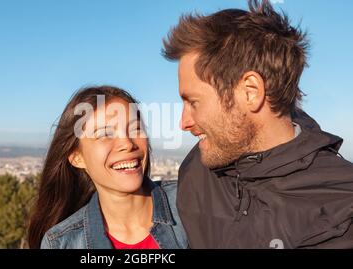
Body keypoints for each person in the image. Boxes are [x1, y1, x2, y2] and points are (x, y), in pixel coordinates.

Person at [162, 0, 353, 248]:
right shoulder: (197, 169)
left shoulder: (341, 201)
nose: (183, 123)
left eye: (194, 102)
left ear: (250, 92)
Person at [27, 86, 188, 249]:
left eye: (135, 128)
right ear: (77, 158)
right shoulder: (61, 243)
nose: (127, 143)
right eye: (105, 134)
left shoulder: (190, 203)